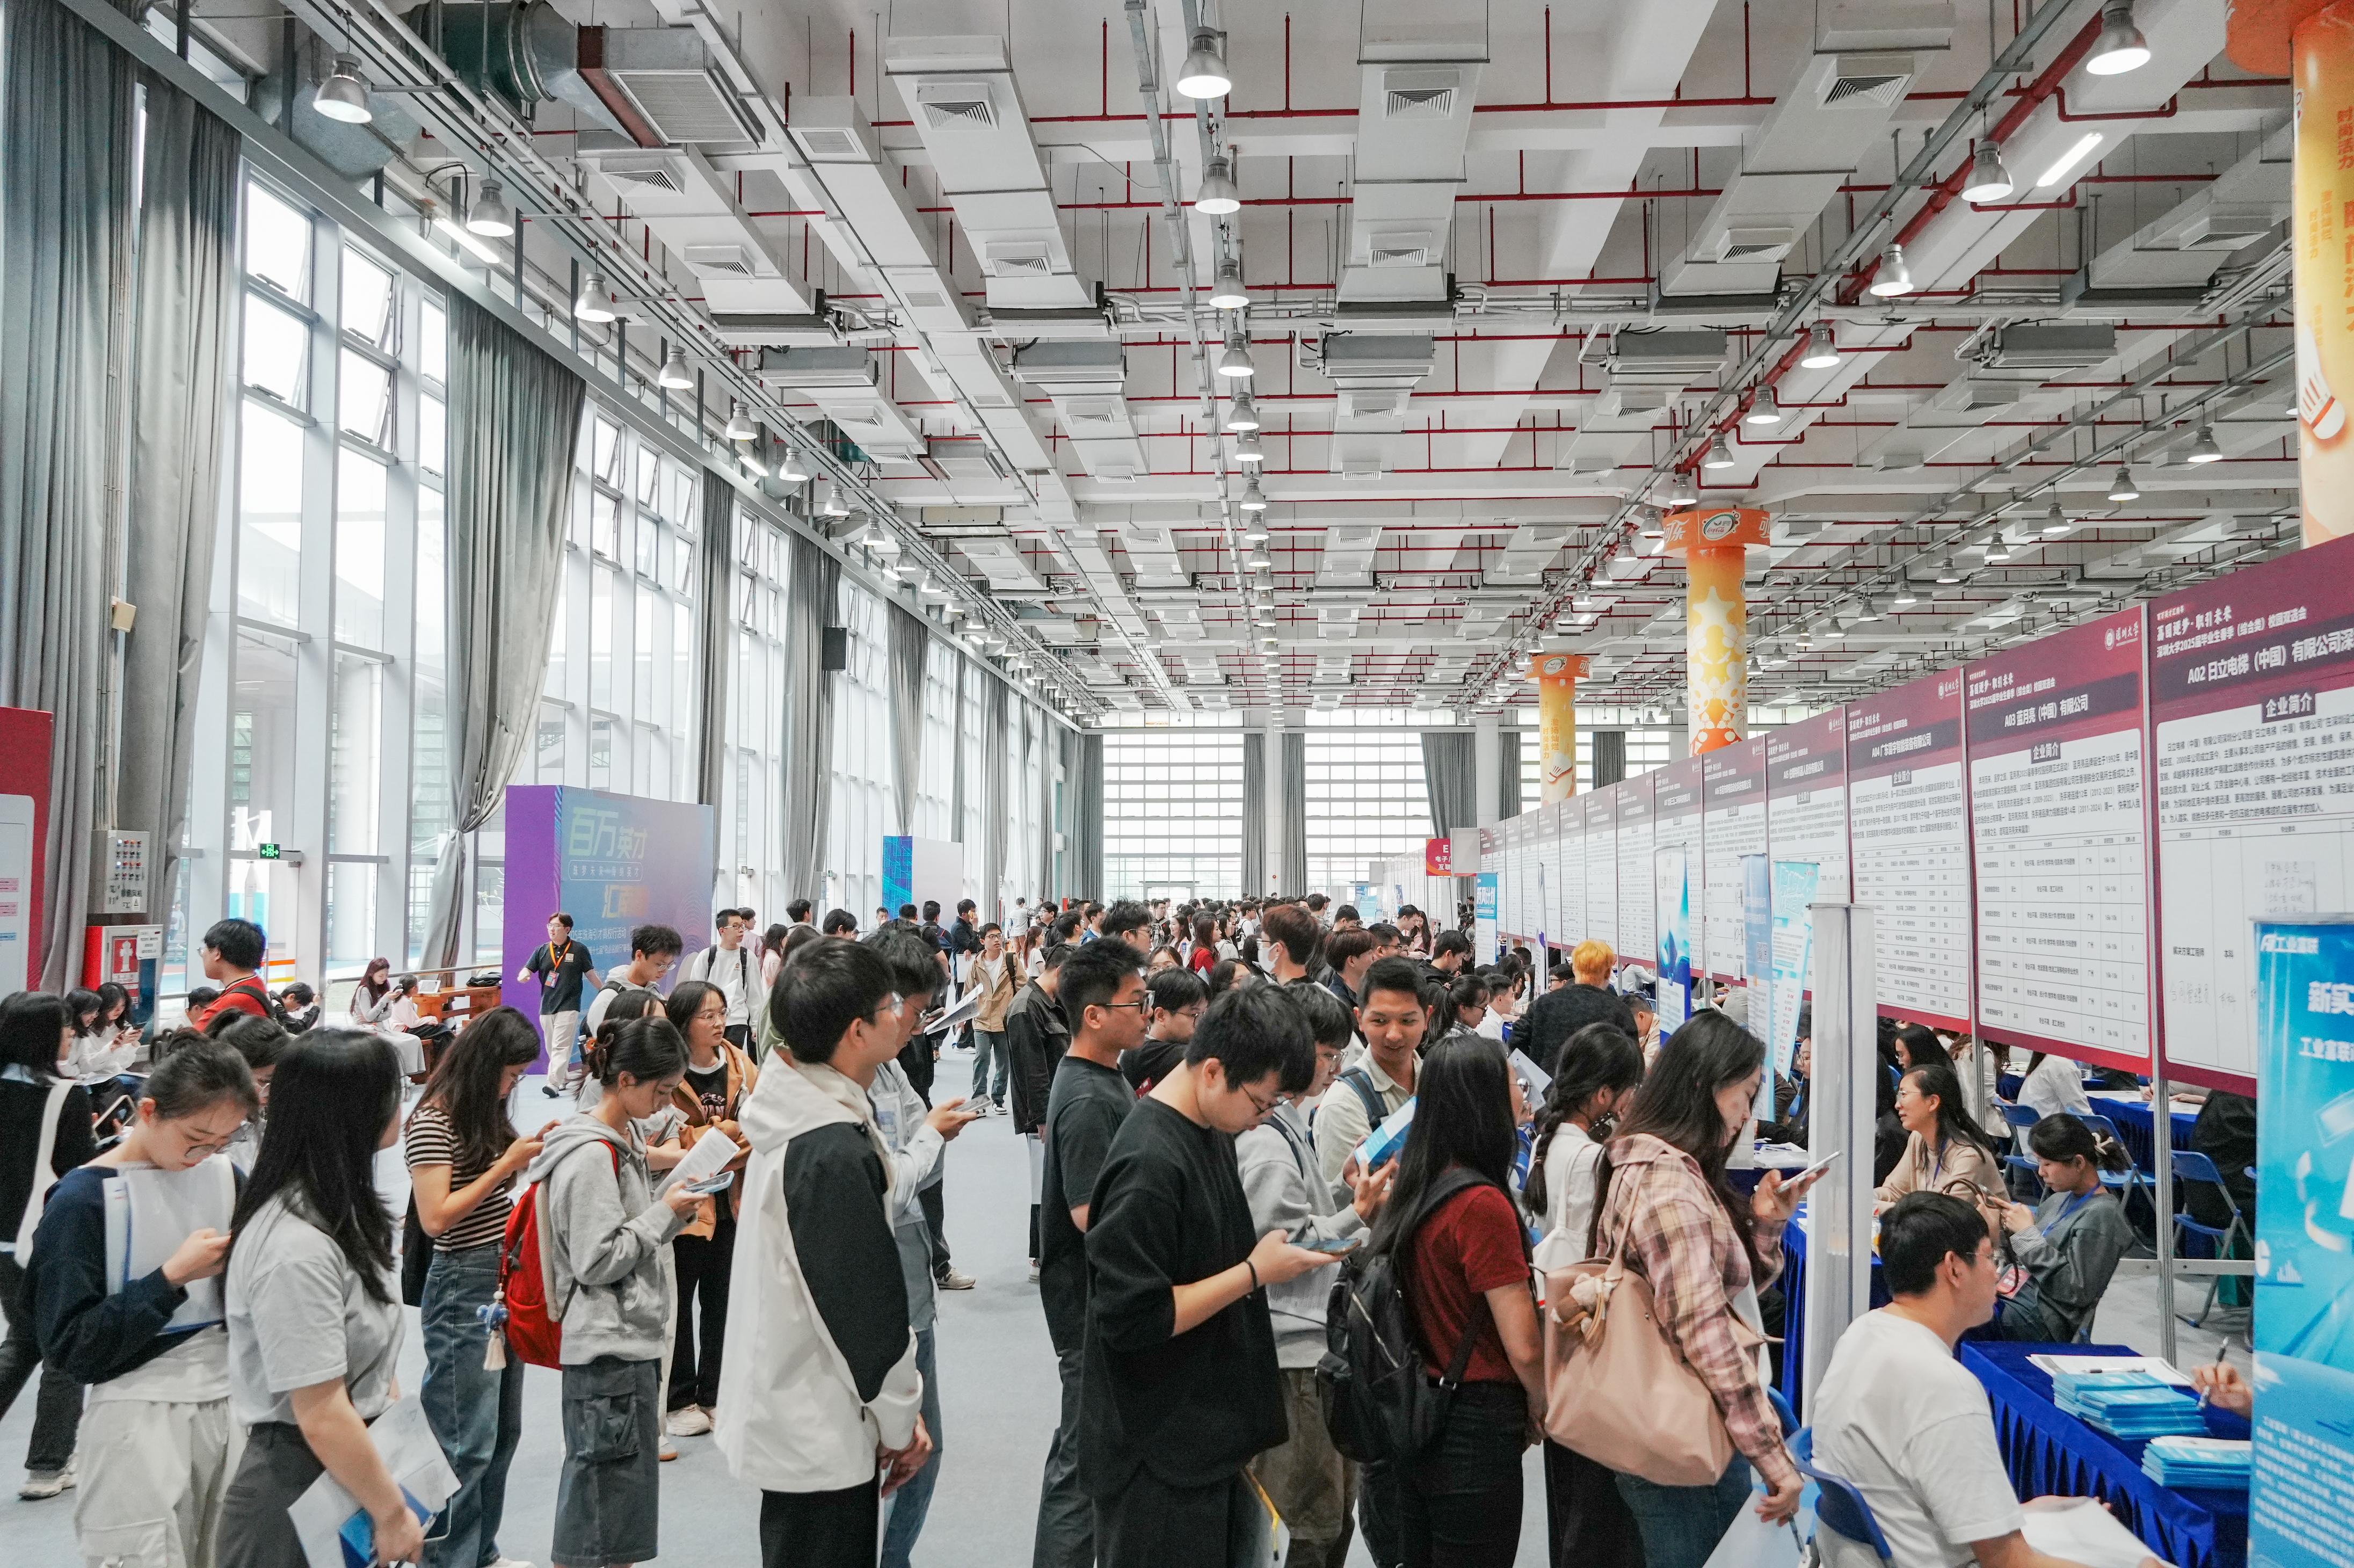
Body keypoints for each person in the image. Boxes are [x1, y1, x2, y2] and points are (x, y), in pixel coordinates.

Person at [1079, 983, 1335, 1566]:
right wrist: (1254, 1272)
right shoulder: (1149, 1162)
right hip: (1155, 1451)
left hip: (1203, 1433)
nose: (1263, 1119)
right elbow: (1134, 1316)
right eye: (1262, 1103)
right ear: (1214, 1071)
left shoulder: (1209, 1128)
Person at [717, 939, 933, 1568]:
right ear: (857, 1031)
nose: (902, 1015)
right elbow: (860, 1307)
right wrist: (901, 1418)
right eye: (891, 1005)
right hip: (818, 1421)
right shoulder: (827, 1146)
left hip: (804, 1409)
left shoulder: (798, 1109)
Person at [1592, 1012, 1810, 1568]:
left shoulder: (1649, 1162)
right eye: (1745, 1095)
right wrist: (1772, 1457)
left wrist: (1766, 1226)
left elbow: (1715, 1295)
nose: (1747, 1115)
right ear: (1701, 1086)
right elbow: (1706, 1330)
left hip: (1660, 1426)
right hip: (1688, 1437)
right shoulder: (1670, 1185)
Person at [29, 1039, 256, 1568]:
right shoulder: (82, 1200)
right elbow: (71, 1346)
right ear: (148, 1112)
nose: (203, 1156)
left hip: (232, 1402)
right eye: (195, 1139)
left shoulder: (225, 1177)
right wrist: (170, 1277)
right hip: (136, 1412)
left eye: (222, 1141)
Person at [1811, 1192, 2120, 1568]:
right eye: (1990, 1257)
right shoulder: (1944, 1385)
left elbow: (1895, 1495)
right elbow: (2009, 1562)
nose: (1996, 1273)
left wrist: (2023, 1512)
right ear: (1955, 1268)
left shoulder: (1862, 1333)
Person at [217, 1031, 417, 1568]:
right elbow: (321, 1413)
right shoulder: (295, 1247)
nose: (402, 1103)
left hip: (348, 1469)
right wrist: (392, 1512)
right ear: (354, 1111)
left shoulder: (340, 1214)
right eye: (394, 1090)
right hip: (296, 1492)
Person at [527, 1016, 701, 1568]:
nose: (666, 1105)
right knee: (600, 1522)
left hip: (624, 1345)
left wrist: (669, 1210)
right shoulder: (589, 1156)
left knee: (614, 1520)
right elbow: (597, 1258)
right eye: (662, 1091)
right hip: (607, 1351)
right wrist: (663, 1214)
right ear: (625, 1080)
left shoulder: (623, 1141)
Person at [1374, 1037, 1547, 1567]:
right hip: (1474, 1423)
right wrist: (1543, 1401)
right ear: (1483, 1100)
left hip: (1418, 1409)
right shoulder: (1482, 1205)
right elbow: (1522, 1343)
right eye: (1511, 1082)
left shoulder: (1417, 1184)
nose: (1522, 1091)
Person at [1237, 985, 1394, 1568]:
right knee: (1307, 1521)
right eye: (1328, 1054)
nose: (1334, 1068)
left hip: (1306, 1349)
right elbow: (1286, 1248)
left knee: (1326, 1512)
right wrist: (1359, 1215)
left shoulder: (1284, 1122)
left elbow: (1303, 1216)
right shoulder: (1266, 1140)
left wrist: (1348, 1196)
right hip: (1294, 1355)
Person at [404, 1007, 550, 1568]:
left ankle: (480, 1551)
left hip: (499, 1275)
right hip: (461, 1281)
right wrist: (504, 1164)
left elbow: (492, 1191)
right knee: (463, 1438)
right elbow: (436, 1217)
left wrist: (528, 1154)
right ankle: (447, 1559)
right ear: (485, 1065)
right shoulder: (432, 1121)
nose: (512, 1086)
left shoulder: (479, 1112)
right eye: (510, 1075)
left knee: (502, 1432)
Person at [859, 928, 980, 1568]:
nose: (918, 1024)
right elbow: (889, 1183)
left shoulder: (888, 1067)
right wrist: (926, 1141)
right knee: (885, 1447)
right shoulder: (833, 1093)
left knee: (918, 1449)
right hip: (872, 1289)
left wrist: (929, 1138)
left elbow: (915, 1158)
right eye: (914, 1010)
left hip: (909, 1272)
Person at [1033, 939, 1149, 1568]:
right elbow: (1090, 1216)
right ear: (1095, 1015)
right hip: (1087, 1307)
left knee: (1092, 1454)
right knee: (1082, 1464)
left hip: (1095, 1302)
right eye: (1137, 1002)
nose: (1146, 1013)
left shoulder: (1103, 1076)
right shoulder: (1087, 1098)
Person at [1528, 1024, 1650, 1568]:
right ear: (1604, 1095)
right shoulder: (1590, 1158)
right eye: (1627, 1091)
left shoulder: (1549, 1138)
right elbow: (1591, 1248)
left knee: (1569, 1486)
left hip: (1555, 1318)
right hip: (1585, 1324)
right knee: (1592, 1496)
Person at [0, 990, 94, 1499]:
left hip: (2, 1245)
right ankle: (48, 1465)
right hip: (42, 1237)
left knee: (24, 1340)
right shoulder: (64, 1096)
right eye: (64, 1026)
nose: (72, 1033)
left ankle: (49, 1462)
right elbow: (77, 1172)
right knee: (64, 1346)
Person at [661, 979, 759, 1437]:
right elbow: (671, 1142)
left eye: (722, 1013)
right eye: (707, 1015)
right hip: (685, 1205)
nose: (719, 1022)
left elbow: (762, 1125)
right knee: (680, 1303)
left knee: (722, 1301)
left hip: (733, 1201)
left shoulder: (740, 1063)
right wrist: (726, 1136)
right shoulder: (668, 1070)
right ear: (684, 1023)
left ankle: (714, 1393)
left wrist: (716, 1141)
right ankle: (679, 1398)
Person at [1993, 1115, 2135, 1343]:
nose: (2041, 1172)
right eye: (2040, 1163)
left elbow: (2075, 1291)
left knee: (1960, 1318)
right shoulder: (2059, 1199)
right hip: (2020, 1297)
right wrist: (2003, 1225)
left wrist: (2026, 1235)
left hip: (2045, 1318)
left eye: (2047, 1164)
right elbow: (2026, 1256)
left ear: (2078, 1163)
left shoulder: (2103, 1216)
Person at [1315, 957, 1429, 1189]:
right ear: (1360, 1019)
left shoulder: (1438, 1082)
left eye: (1407, 1021)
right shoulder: (1344, 1104)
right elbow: (1353, 1200)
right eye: (1380, 1021)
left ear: (1427, 1018)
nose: (1394, 1035)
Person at [1006, 938, 1074, 1280]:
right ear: (1060, 972)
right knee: (1042, 1187)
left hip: (1058, 1107)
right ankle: (1040, 1256)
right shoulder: (1025, 1008)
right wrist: (1043, 1119)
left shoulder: (1053, 1002)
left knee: (1054, 1183)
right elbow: (1031, 1071)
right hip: (1042, 1115)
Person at [1876, 1060, 2008, 1229]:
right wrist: (1864, 1199)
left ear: (1933, 1102)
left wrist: (1885, 1209)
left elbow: (1941, 1221)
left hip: (1974, 1243)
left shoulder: (1968, 1156)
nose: (1897, 1105)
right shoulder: (1918, 1138)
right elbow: (1894, 1191)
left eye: (1904, 1094)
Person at [1521, 941, 1639, 1076]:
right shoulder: (1619, 1011)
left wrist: (1533, 1073)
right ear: (1608, 973)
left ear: (1574, 970)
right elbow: (1633, 1059)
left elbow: (1519, 1036)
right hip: (1599, 1085)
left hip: (1550, 1084)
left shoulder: (1544, 1004)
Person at [522, 913, 599, 1098]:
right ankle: (563, 1077)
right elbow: (528, 968)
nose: (552, 929)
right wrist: (524, 974)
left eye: (556, 926)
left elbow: (590, 973)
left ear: (567, 929)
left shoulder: (579, 950)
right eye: (550, 926)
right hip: (547, 1006)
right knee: (552, 1046)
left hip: (569, 1005)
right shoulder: (542, 950)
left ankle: (553, 1083)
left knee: (560, 1046)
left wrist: (604, 990)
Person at [679, 909, 764, 1051]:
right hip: (709, 1019)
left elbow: (755, 994)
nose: (741, 930)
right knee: (711, 1055)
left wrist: (755, 1025)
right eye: (736, 926)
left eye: (742, 926)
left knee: (731, 1057)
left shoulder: (748, 957)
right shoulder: (707, 955)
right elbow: (695, 990)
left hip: (737, 1019)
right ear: (722, 930)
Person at [1118, 966, 1207, 1096]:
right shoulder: (1145, 1053)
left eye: (1204, 1014)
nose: (1201, 1023)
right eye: (1194, 1015)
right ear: (1161, 1016)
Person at [967, 923, 1020, 1113]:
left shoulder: (1011, 960)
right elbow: (968, 992)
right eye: (992, 937)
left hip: (1004, 1020)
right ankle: (979, 1101)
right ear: (983, 941)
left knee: (1003, 1063)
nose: (997, 940)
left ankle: (998, 1099)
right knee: (981, 1059)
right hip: (981, 1019)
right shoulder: (976, 964)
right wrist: (962, 1020)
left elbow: (1022, 987)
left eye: (999, 936)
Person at [192, 919, 273, 1028]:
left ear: (217, 953)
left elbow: (192, 1037)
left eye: (204, 950)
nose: (203, 956)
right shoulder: (255, 985)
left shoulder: (236, 1000)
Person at [2015, 1051, 2094, 1123]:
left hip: (2034, 1131)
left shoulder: (2048, 1061)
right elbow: (2082, 1112)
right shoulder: (2062, 1065)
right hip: (2049, 1131)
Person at [1262, 903, 1319, 986]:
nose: (1262, 947)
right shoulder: (1323, 992)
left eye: (1263, 942)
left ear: (1277, 949)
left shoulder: (1276, 994)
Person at [352, 958, 396, 1026]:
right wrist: (385, 999)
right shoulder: (364, 990)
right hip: (364, 1029)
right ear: (371, 974)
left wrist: (373, 1019)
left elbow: (389, 1013)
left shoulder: (384, 987)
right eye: (381, 976)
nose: (384, 978)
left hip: (378, 1027)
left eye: (387, 975)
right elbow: (369, 1017)